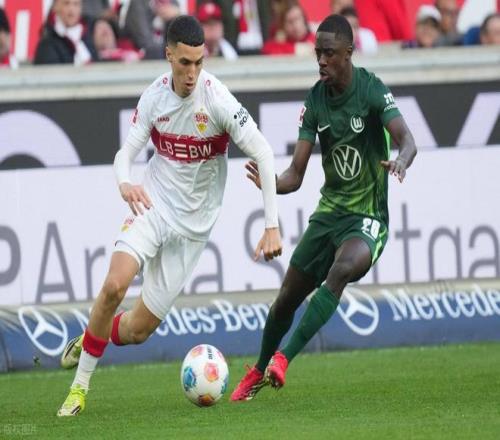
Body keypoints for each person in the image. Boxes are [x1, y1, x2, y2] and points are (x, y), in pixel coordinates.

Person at [57, 15, 282, 416]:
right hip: (153, 207)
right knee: (113, 287)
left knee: (137, 330)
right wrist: (125, 183)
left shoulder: (217, 100)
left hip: (192, 232)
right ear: (168, 56)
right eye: (184, 63)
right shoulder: (154, 98)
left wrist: (271, 226)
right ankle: (79, 388)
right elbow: (125, 153)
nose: (192, 73)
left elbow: (263, 153)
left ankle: (92, 334)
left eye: (199, 62)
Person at [231, 14, 417, 401]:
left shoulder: (371, 89)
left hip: (367, 218)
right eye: (318, 53)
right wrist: (270, 181)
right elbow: (296, 175)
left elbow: (408, 140)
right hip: (329, 214)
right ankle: (257, 370)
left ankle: (283, 359)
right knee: (286, 299)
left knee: (341, 270)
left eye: (329, 53)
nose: (321, 60)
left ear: (348, 52)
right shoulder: (315, 99)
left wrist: (401, 161)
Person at [34, 0, 97, 65]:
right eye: (66, 3)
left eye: (76, 4)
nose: (71, 9)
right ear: (55, 7)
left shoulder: (87, 36)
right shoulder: (47, 42)